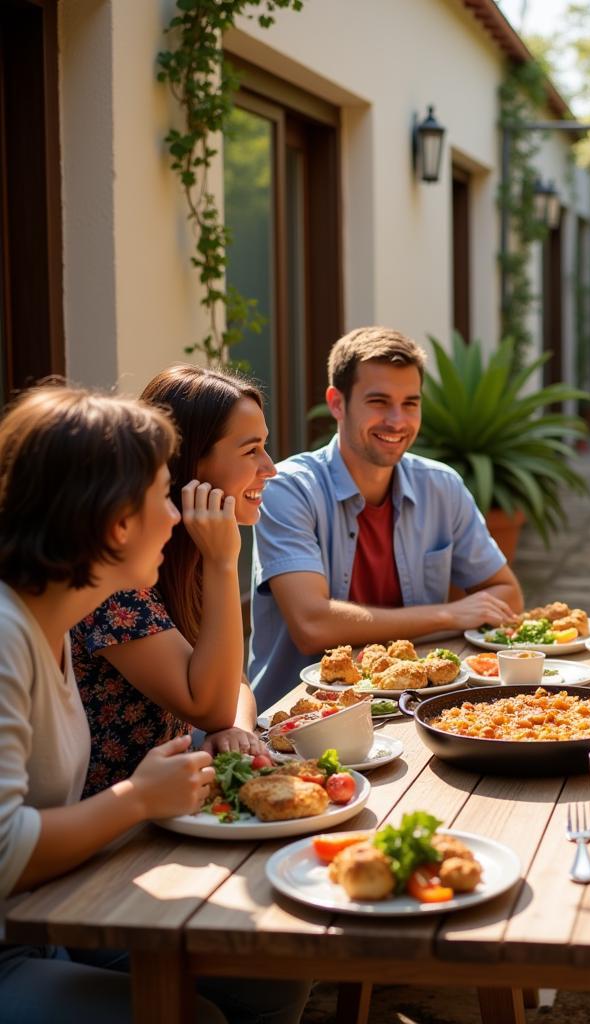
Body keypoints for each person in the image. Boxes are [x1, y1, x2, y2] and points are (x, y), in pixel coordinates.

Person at [0, 385, 307, 1024]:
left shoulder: (51, 622)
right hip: (38, 926)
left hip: (60, 904)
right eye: (161, 497)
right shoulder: (11, 636)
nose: (174, 515)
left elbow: (226, 697)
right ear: (115, 523)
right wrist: (139, 798)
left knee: (274, 982)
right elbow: (5, 850)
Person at [249, 326, 523, 708]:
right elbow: (312, 625)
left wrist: (459, 616)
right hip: (300, 720)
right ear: (337, 403)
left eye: (410, 403)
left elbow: (506, 593)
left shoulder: (441, 486)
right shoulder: (288, 489)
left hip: (410, 704)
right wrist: (448, 614)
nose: (397, 421)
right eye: (379, 401)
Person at [71, 365, 277, 796]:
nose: (270, 468)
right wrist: (223, 563)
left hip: (170, 810)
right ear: (191, 462)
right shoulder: (116, 579)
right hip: (109, 839)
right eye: (251, 450)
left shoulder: (187, 550)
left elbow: (230, 681)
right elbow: (207, 704)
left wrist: (235, 729)